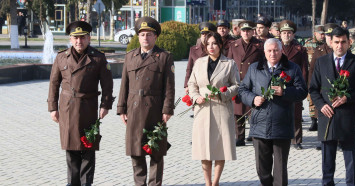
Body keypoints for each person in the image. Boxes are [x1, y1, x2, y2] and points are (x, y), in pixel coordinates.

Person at [47, 21, 114, 186]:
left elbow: (107, 84)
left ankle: (86, 183)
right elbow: (54, 84)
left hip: (88, 108)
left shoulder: (98, 58)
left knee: (87, 149)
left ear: (89, 38)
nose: (79, 41)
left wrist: (105, 105)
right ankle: (72, 183)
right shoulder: (61, 57)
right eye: (75, 38)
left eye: (82, 38)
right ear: (70, 39)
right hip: (67, 108)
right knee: (71, 149)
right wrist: (52, 108)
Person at [238, 38, 307, 186]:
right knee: (262, 169)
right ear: (264, 52)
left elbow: (302, 92)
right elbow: (243, 90)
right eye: (269, 50)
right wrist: (253, 99)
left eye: (276, 50)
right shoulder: (255, 68)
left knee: (280, 170)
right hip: (259, 124)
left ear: (281, 51)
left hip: (282, 124)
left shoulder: (292, 68)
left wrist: (285, 91)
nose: (273, 53)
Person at [309, 27, 355, 186]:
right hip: (327, 117)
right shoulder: (321, 62)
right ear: (330, 42)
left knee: (350, 160)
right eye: (336, 42)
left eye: (343, 42)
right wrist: (321, 105)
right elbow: (314, 89)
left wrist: (347, 97)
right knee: (327, 161)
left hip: (348, 117)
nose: (340, 45)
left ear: (349, 42)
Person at [117, 17, 175, 186]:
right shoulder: (130, 56)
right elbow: (124, 85)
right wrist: (122, 108)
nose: (145, 38)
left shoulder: (164, 57)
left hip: (155, 108)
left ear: (155, 37)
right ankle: (139, 183)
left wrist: (167, 109)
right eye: (142, 35)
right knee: (136, 150)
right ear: (138, 37)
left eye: (149, 35)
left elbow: (169, 86)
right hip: (134, 107)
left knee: (156, 151)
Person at [188, 32, 240, 186]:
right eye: (208, 44)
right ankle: (207, 182)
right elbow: (192, 83)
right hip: (202, 109)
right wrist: (195, 96)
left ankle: (215, 181)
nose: (211, 47)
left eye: (214, 44)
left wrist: (224, 93)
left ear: (220, 45)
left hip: (221, 108)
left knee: (220, 147)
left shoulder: (229, 64)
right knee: (203, 147)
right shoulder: (199, 62)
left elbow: (236, 85)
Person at [227, 20, 264, 146]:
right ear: (240, 32)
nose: (246, 33)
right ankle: (240, 137)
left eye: (248, 30)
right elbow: (229, 64)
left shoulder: (260, 45)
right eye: (244, 30)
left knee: (253, 111)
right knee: (238, 111)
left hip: (254, 83)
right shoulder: (234, 45)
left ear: (253, 31)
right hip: (238, 81)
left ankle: (255, 136)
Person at [279, 20, 309, 150]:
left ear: (293, 34)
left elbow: (304, 69)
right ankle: (281, 138)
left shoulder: (300, 49)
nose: (287, 35)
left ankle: (296, 140)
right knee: (279, 113)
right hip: (278, 84)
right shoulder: (275, 47)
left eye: (289, 33)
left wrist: (302, 86)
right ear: (280, 34)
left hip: (294, 85)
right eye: (284, 33)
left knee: (296, 114)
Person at [308, 23, 337, 150]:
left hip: (338, 92)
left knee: (337, 116)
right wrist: (312, 87)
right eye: (328, 35)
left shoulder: (340, 50)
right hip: (322, 91)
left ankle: (338, 140)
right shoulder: (318, 51)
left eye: (332, 35)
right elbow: (312, 71)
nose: (330, 38)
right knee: (323, 116)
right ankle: (323, 140)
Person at [184, 22, 217, 94]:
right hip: (196, 84)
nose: (204, 36)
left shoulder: (216, 49)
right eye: (203, 34)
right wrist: (186, 85)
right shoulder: (193, 49)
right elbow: (189, 68)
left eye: (207, 34)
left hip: (211, 85)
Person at [304, 25, 325, 131]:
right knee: (311, 99)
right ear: (315, 33)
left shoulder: (326, 45)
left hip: (321, 75)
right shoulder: (308, 44)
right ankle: (313, 121)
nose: (322, 36)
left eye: (323, 34)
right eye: (320, 34)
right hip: (311, 74)